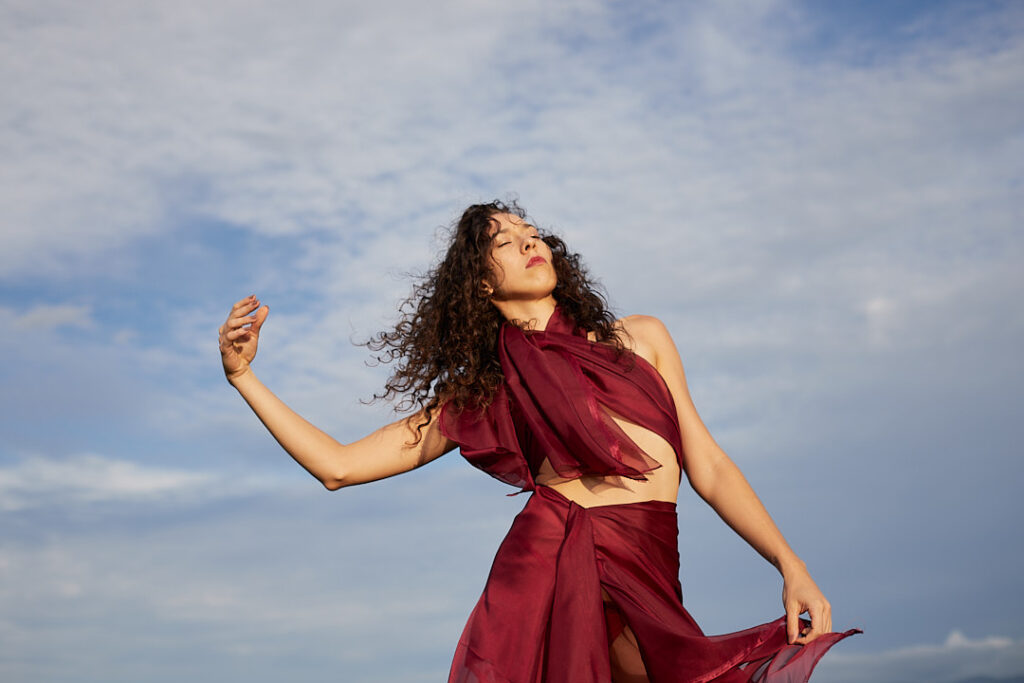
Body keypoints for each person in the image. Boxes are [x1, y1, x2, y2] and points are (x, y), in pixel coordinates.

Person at [218, 200, 858, 682]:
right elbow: (338, 466)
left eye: (531, 232)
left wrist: (789, 563)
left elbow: (708, 466)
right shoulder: (481, 390)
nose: (529, 241)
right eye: (504, 241)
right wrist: (245, 378)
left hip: (651, 558)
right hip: (556, 560)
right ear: (480, 283)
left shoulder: (642, 338)